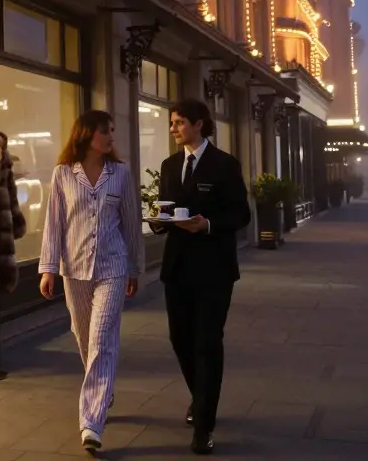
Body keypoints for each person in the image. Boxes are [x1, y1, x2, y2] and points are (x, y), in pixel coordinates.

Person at [147, 99, 250, 455]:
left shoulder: (225, 165)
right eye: (172, 123)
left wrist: (208, 224)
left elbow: (241, 215)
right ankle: (202, 397)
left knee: (208, 342)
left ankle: (204, 423)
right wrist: (159, 222)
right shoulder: (169, 165)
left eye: (179, 122)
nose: (173, 128)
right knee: (180, 340)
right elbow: (166, 212)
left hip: (214, 270)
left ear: (199, 124)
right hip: (176, 268)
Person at [39, 110, 144, 453]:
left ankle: (91, 423)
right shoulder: (63, 175)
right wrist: (48, 268)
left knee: (101, 338)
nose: (111, 136)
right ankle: (103, 387)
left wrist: (135, 268)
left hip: (112, 267)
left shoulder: (121, 174)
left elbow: (131, 222)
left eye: (112, 130)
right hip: (75, 269)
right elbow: (54, 224)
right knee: (84, 337)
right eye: (105, 131)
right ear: (87, 135)